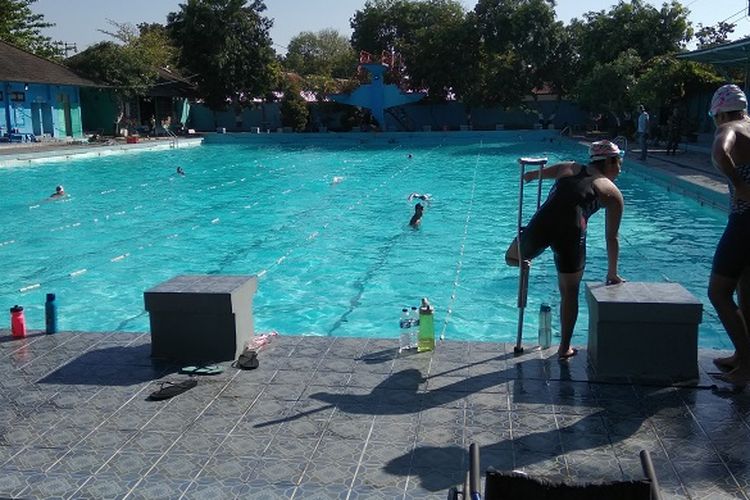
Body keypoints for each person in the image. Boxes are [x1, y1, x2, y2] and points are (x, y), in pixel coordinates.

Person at [504, 140, 625, 360]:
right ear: (609, 161)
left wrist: (533, 176)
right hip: (572, 233)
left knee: (511, 257)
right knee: (569, 292)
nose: (620, 168)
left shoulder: (571, 167)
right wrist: (612, 272)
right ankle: (564, 348)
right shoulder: (613, 193)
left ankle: (525, 261)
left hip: (544, 223)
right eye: (619, 163)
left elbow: (553, 171)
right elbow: (612, 237)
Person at [706, 84, 750, 385]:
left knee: (718, 292)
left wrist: (739, 183)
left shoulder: (729, 128)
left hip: (745, 220)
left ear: (718, 113)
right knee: (745, 290)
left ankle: (747, 366)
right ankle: (741, 355)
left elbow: (721, 153)